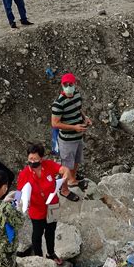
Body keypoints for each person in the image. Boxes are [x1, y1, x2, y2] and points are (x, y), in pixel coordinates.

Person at [16, 143, 71, 265]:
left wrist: (66, 174)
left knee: (51, 231)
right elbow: (19, 192)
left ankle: (50, 253)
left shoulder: (49, 165)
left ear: (41, 158)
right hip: (36, 209)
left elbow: (63, 169)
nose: (32, 161)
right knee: (37, 234)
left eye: (35, 159)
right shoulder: (24, 173)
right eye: (30, 159)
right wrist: (18, 202)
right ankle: (38, 257)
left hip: (52, 205)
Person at [51, 73, 92, 202]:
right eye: (66, 85)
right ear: (62, 85)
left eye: (71, 84)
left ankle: (73, 180)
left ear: (75, 84)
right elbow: (55, 123)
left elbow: (79, 109)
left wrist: (85, 118)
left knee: (76, 160)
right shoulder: (58, 104)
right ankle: (64, 190)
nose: (68, 87)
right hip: (67, 139)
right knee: (66, 167)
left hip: (78, 136)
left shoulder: (77, 95)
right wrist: (74, 127)